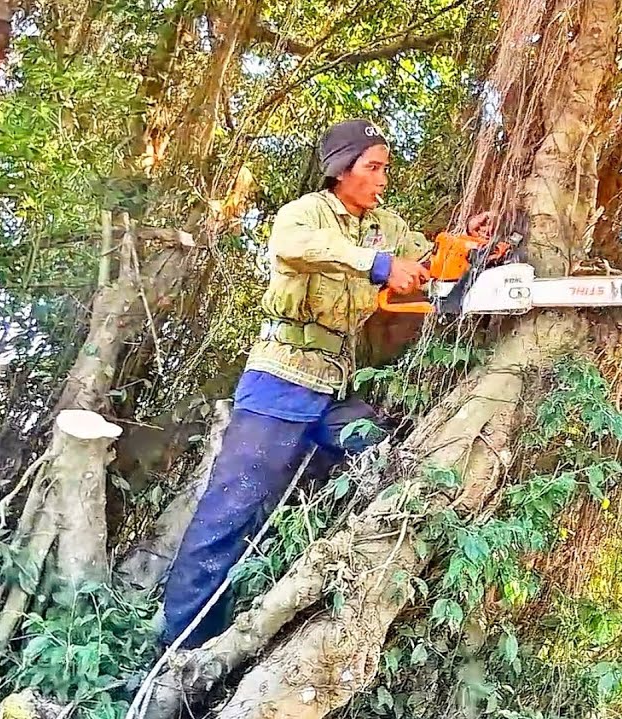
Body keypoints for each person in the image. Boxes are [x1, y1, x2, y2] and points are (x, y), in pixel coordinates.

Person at [157, 119, 490, 650]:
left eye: (385, 168)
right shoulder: (307, 213)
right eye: (372, 167)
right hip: (280, 383)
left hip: (333, 390)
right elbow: (294, 245)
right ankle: (182, 646)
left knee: (388, 461)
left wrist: (464, 244)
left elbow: (422, 259)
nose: (382, 178)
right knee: (231, 511)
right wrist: (377, 265)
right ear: (342, 168)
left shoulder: (384, 223)